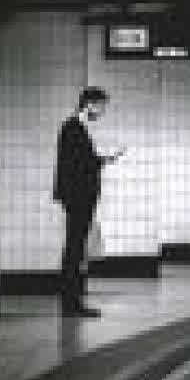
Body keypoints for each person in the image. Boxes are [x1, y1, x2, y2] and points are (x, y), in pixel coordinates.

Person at [52, 86, 126, 316]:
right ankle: (71, 303)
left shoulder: (75, 128)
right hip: (78, 198)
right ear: (90, 104)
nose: (102, 111)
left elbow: (79, 162)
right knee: (75, 248)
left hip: (77, 197)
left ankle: (72, 301)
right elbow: (80, 164)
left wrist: (100, 159)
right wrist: (106, 159)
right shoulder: (73, 128)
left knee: (75, 247)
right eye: (101, 106)